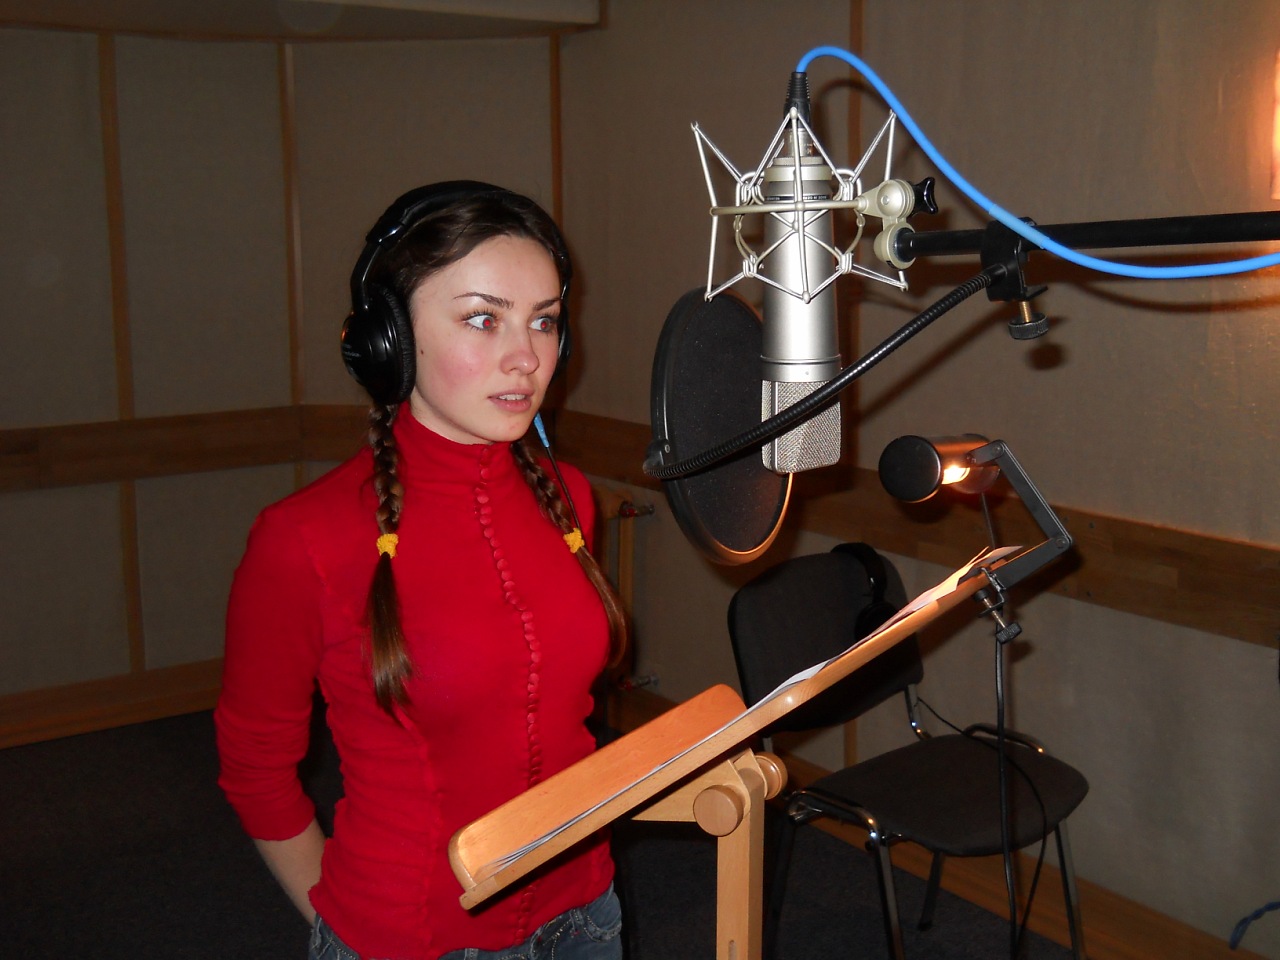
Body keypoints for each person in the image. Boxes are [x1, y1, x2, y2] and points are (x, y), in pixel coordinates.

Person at [214, 181, 628, 960]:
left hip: (585, 916)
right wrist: (349, 926)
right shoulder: (302, 539)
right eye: (483, 318)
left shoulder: (569, 497)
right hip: (411, 939)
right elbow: (254, 771)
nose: (527, 357)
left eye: (544, 321)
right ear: (390, 340)